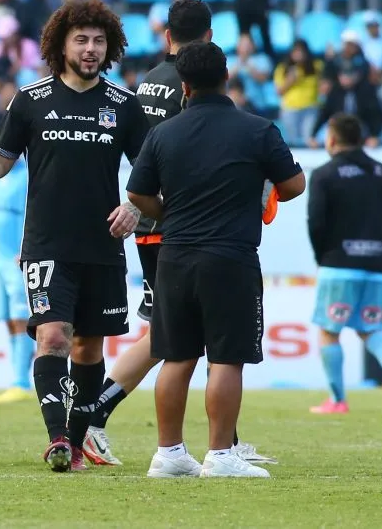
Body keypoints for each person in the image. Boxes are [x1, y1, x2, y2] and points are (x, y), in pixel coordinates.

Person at [84, 0, 276, 467]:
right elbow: (197, 153)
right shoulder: (189, 88)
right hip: (186, 223)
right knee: (194, 336)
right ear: (210, 38)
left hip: (156, 219)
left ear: (167, 35)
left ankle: (99, 417)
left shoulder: (148, 80)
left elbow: (148, 152)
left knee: (167, 331)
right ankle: (96, 417)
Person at [0, 0, 150, 473]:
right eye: (81, 40)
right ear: (61, 45)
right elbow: (3, 157)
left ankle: (76, 442)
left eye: (98, 41)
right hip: (47, 244)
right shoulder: (30, 100)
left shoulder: (123, 105)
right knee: (52, 337)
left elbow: (152, 168)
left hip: (102, 243)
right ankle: (57, 439)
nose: (90, 49)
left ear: (109, 47)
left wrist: (133, 205)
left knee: (90, 347)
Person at [125, 42, 305, 478]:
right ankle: (221, 455)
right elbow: (295, 184)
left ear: (184, 86)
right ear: (226, 77)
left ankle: (168, 454)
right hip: (230, 256)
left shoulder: (163, 133)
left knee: (176, 356)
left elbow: (136, 194)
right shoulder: (258, 130)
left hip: (175, 255)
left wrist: (169, 214)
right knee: (226, 357)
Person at [307, 113, 382, 414]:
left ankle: (337, 400)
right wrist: (381, 254)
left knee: (329, 330)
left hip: (338, 264)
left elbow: (316, 222)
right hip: (376, 267)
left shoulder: (326, 174)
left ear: (332, 139)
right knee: (371, 328)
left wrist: (322, 257)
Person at [0, 151, 33, 404]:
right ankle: (18, 377)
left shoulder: (28, 175)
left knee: (21, 318)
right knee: (8, 319)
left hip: (17, 254)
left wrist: (26, 248)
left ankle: (21, 382)